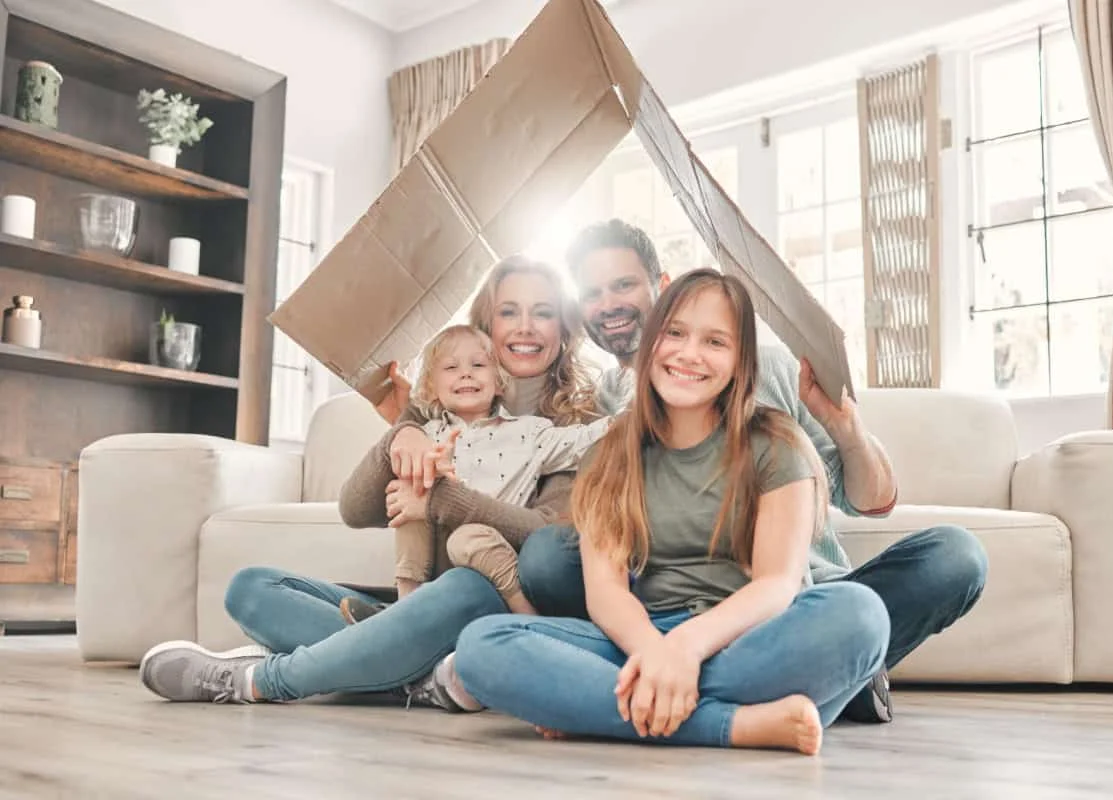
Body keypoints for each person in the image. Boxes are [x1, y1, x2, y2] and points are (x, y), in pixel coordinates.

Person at [515, 219, 989, 724]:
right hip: (665, 610)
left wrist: (846, 429)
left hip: (790, 599)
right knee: (545, 557)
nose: (608, 303)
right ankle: (801, 685)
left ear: (663, 285)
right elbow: (491, 397)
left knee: (952, 558)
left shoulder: (773, 370)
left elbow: (873, 501)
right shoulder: (603, 405)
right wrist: (415, 425)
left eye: (624, 285)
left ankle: (653, 692)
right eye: (592, 293)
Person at [137, 255, 600, 712]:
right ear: (486, 325)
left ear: (563, 332)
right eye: (508, 312)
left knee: (464, 583)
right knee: (251, 589)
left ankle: (260, 680)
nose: (525, 327)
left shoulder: (573, 430)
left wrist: (440, 500)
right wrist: (405, 432)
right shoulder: (436, 410)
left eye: (544, 313)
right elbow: (356, 509)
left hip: (485, 596)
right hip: (415, 604)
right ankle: (420, 675)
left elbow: (547, 535)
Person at [455, 269, 890, 754]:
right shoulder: (609, 454)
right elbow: (605, 593)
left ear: (740, 361)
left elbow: (777, 584)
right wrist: (657, 652)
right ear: (651, 343)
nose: (689, 354)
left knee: (863, 614)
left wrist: (686, 651)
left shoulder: (776, 444)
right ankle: (738, 725)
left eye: (715, 341)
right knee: (482, 646)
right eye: (676, 333)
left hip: (746, 637)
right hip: (642, 638)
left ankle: (602, 710)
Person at [367, 323, 610, 615]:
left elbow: (583, 441)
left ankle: (526, 616)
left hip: (495, 547)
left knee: (466, 538)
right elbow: (394, 473)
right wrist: (427, 468)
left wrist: (629, 418)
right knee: (408, 493)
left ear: (499, 381)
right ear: (431, 387)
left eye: (478, 365)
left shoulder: (529, 433)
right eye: (451, 367)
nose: (466, 373)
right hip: (440, 555)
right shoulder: (426, 435)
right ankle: (405, 607)